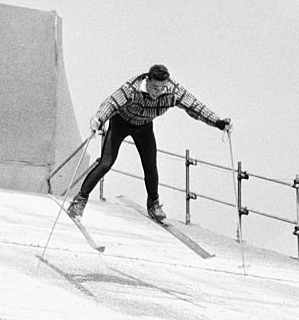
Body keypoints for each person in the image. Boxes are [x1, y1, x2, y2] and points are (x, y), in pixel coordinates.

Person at [66, 64, 230, 221]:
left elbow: (195, 107)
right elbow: (110, 103)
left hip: (144, 127)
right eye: (154, 88)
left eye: (161, 89)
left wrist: (218, 123)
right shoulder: (132, 89)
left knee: (150, 165)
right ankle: (79, 201)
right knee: (106, 163)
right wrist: (98, 119)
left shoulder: (173, 92)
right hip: (121, 123)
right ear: (148, 81)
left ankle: (153, 203)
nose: (157, 92)